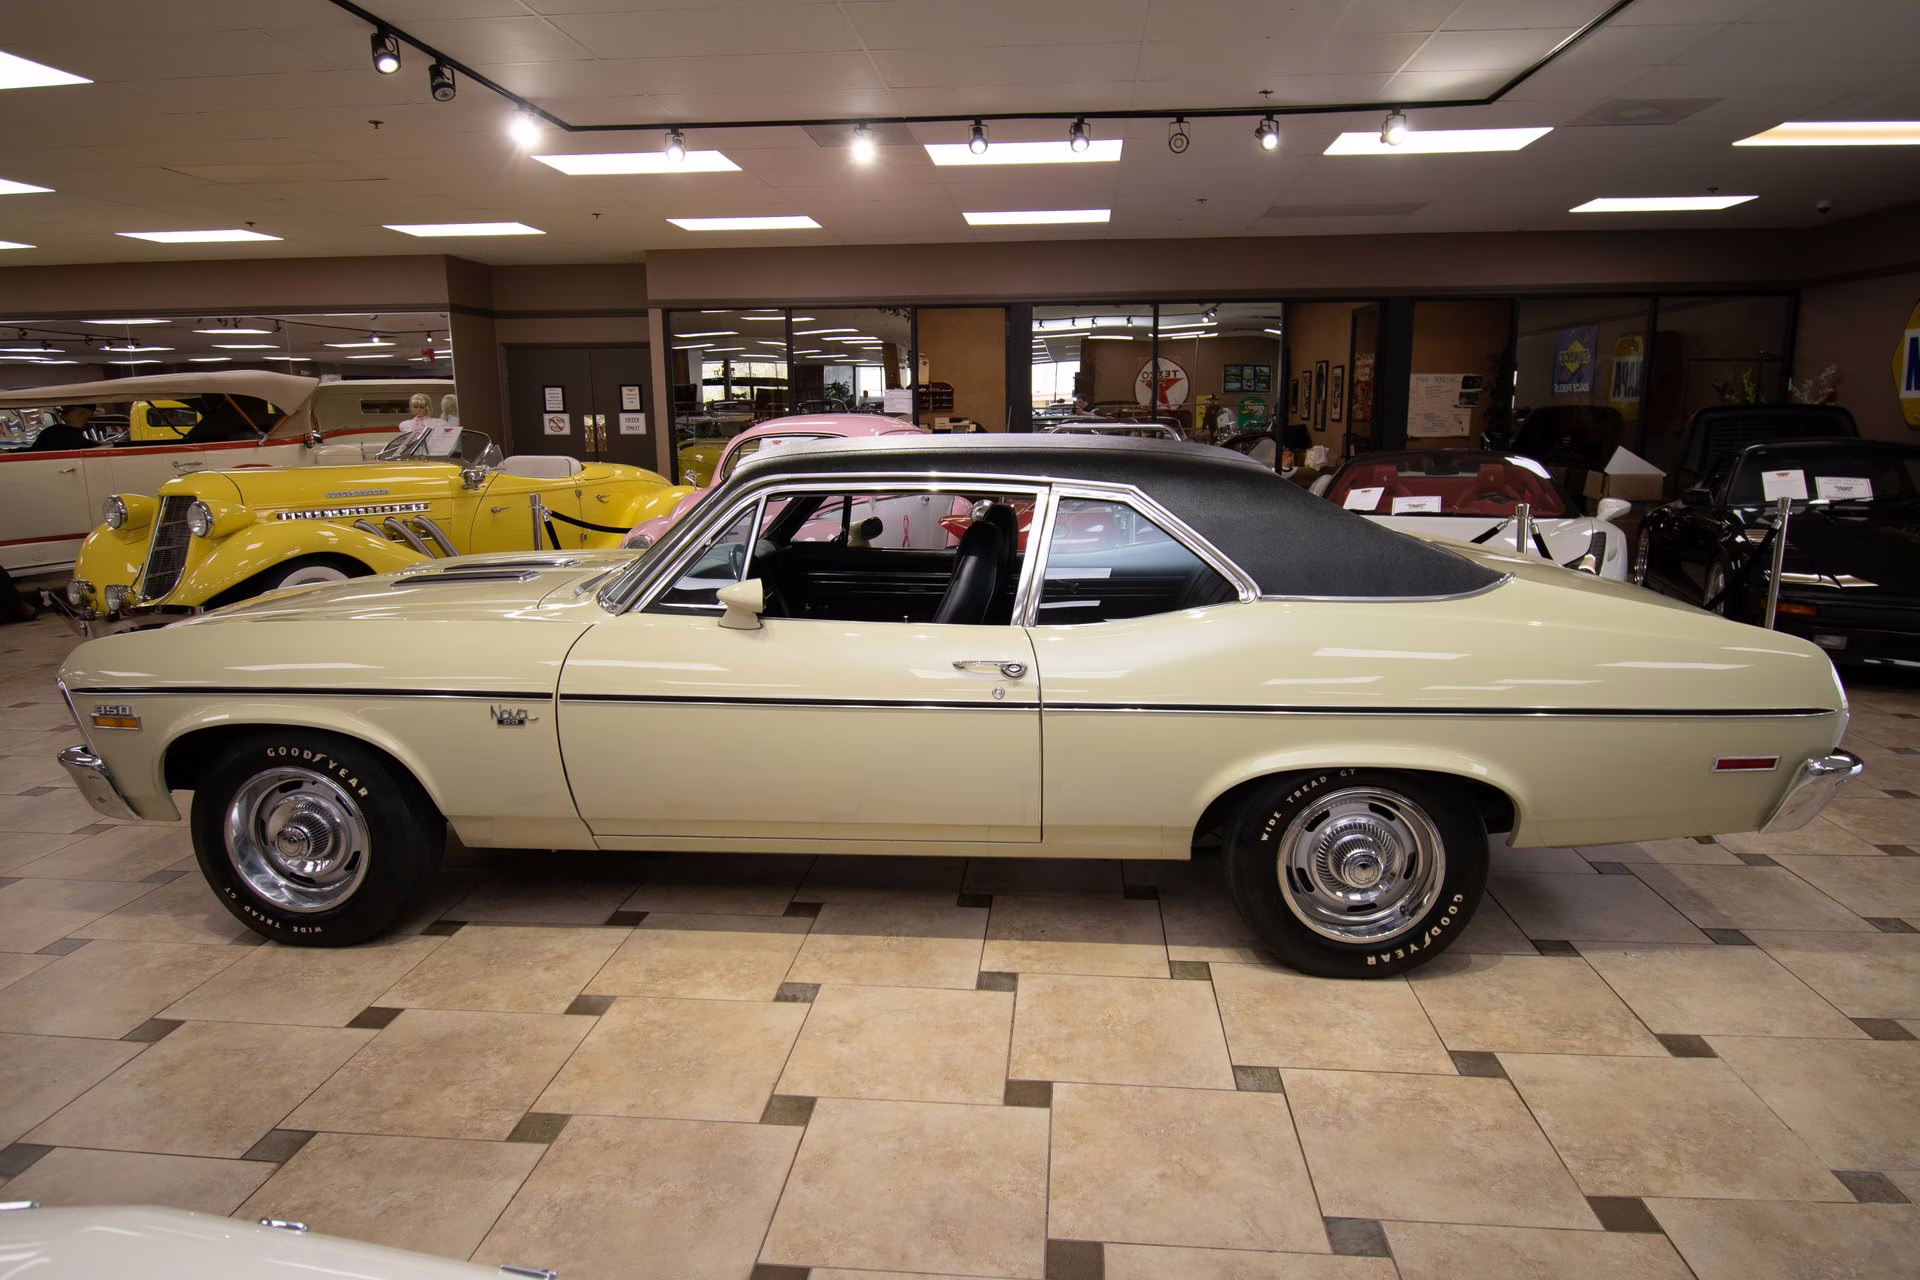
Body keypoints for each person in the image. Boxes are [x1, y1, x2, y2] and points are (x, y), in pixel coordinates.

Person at [27, 405, 100, 452]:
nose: (63, 409)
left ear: (83, 413)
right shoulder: (55, 432)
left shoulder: (55, 431)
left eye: (70, 409)